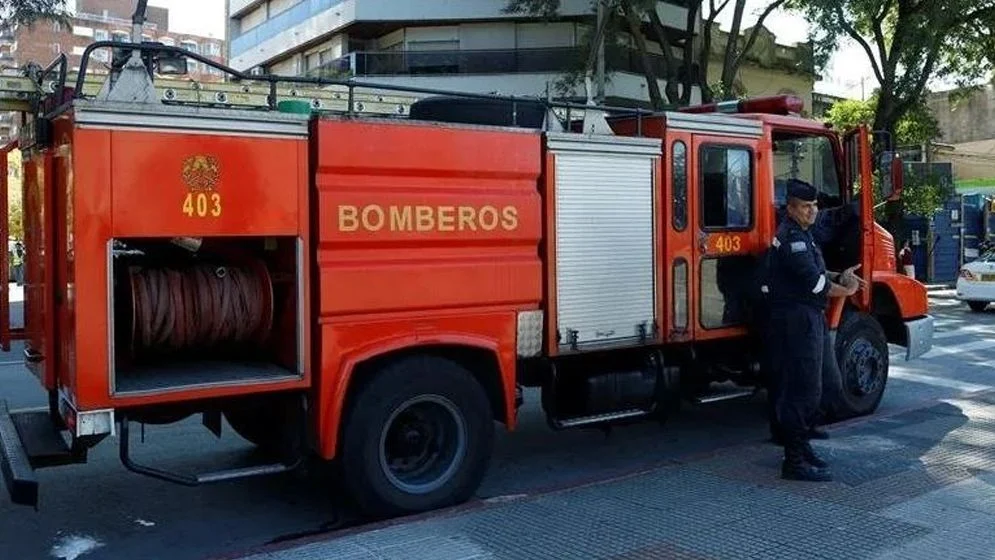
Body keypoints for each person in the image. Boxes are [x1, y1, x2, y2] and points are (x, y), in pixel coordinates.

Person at [766, 179, 862, 482]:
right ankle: (793, 461)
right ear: (791, 208)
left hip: (807, 316)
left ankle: (803, 445)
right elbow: (815, 284)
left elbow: (818, 272)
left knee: (815, 384)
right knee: (803, 389)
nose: (813, 211)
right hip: (798, 319)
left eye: (815, 206)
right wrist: (847, 290)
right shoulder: (792, 238)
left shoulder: (803, 235)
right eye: (806, 206)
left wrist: (840, 275)